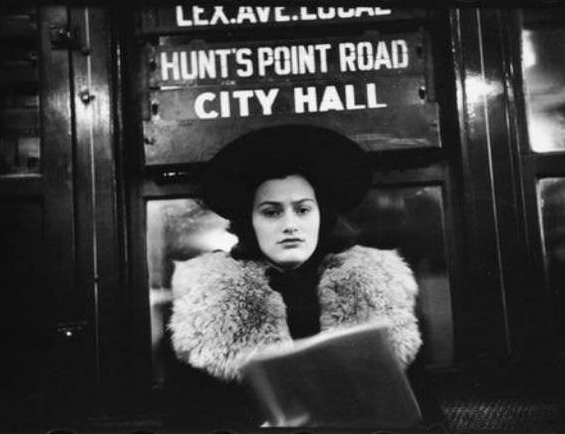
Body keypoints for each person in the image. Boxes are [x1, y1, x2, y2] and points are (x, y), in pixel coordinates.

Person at [168, 125, 422, 427]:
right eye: (271, 212)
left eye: (302, 210)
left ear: (321, 216)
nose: (290, 225)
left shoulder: (381, 288)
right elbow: (185, 420)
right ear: (250, 222)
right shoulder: (205, 302)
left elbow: (424, 413)